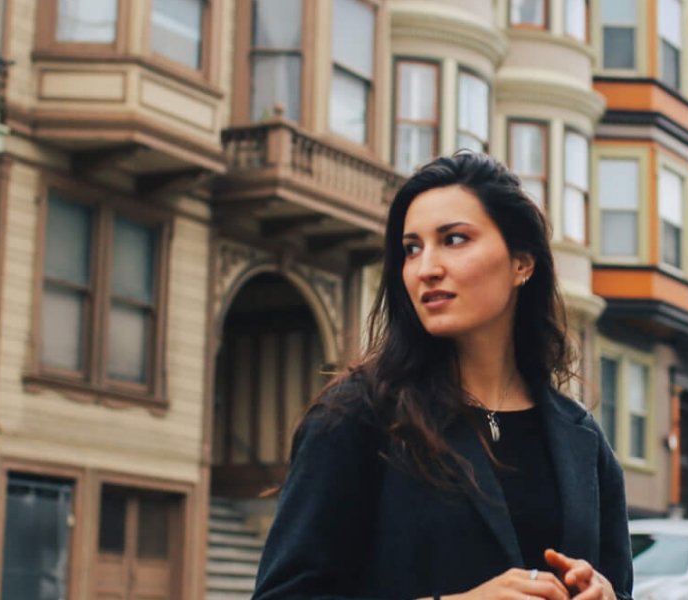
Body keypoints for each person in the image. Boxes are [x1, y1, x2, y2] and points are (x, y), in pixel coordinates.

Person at [252, 152, 631, 600]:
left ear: (521, 263)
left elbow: (621, 588)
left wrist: (606, 595)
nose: (426, 267)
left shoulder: (581, 438)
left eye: (453, 239)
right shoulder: (357, 416)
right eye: (412, 249)